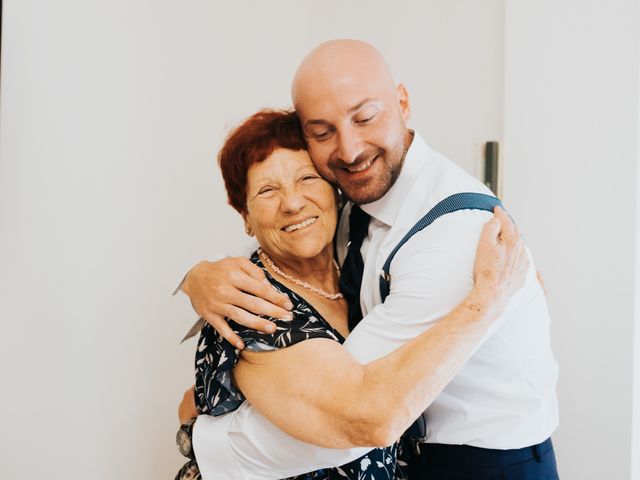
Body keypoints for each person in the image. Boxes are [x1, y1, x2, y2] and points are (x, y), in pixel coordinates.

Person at [178, 40, 560, 479]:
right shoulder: (349, 206)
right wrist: (197, 278)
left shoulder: (454, 237)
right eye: (322, 133)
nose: (350, 149)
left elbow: (359, 417)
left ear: (402, 102)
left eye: (365, 117)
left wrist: (200, 439)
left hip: (482, 464)